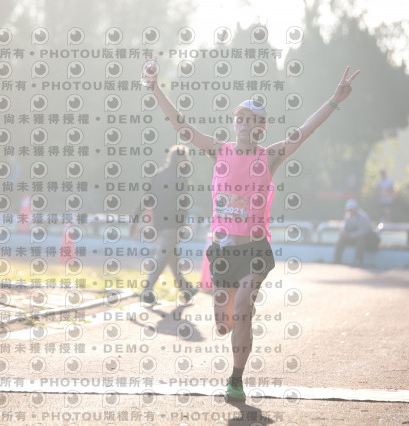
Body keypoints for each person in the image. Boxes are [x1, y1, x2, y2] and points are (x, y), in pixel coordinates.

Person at [140, 56, 360, 401]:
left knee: (243, 311)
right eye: (240, 118)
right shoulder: (218, 151)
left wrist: (334, 100)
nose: (244, 124)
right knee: (224, 322)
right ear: (235, 124)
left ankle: (236, 380)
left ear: (261, 129)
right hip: (223, 251)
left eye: (252, 120)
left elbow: (305, 131)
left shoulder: (269, 156)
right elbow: (181, 126)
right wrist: (154, 88)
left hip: (255, 249)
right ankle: (235, 322)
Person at [130, 145, 196, 305]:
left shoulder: (158, 175)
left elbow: (146, 198)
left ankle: (185, 289)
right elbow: (183, 205)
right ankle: (147, 290)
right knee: (162, 258)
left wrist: (135, 220)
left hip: (159, 223)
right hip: (173, 225)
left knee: (171, 257)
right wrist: (182, 226)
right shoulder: (181, 177)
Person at [333, 199, 380, 265]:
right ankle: (336, 259)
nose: (351, 211)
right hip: (354, 238)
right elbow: (345, 228)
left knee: (360, 240)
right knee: (341, 240)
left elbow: (363, 232)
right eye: (349, 209)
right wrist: (343, 234)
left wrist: (349, 235)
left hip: (367, 239)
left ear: (356, 209)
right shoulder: (347, 217)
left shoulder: (363, 217)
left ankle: (358, 261)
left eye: (352, 209)